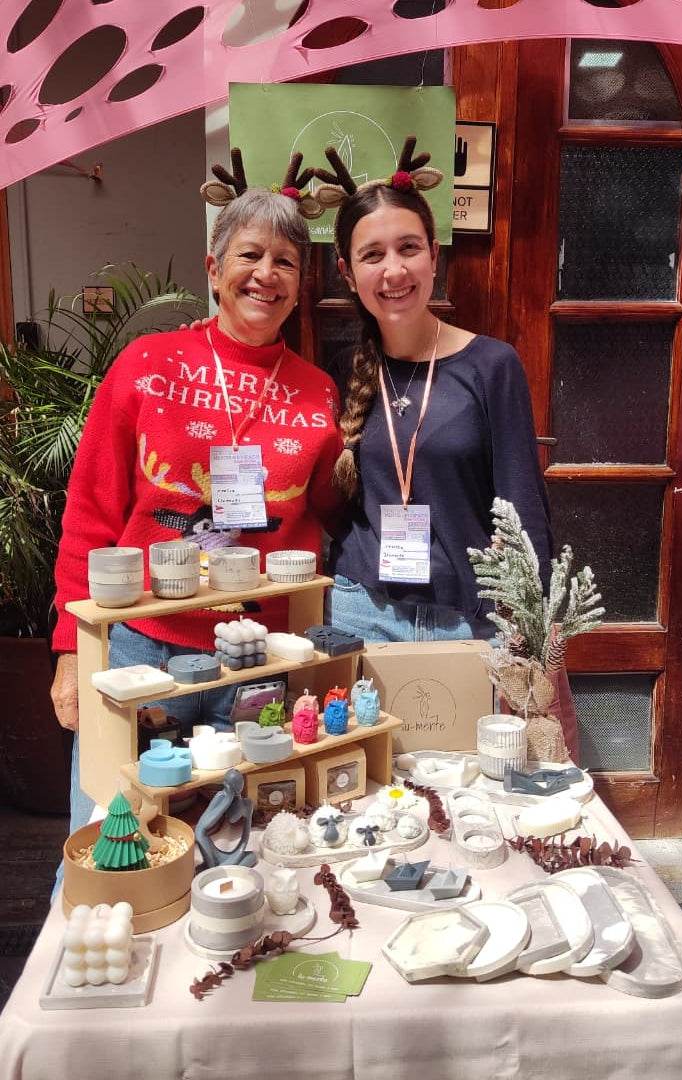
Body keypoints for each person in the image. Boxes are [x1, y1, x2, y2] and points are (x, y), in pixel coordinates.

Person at [50, 147, 343, 840]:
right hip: (141, 652)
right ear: (214, 269)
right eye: (249, 255)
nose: (266, 274)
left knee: (250, 845)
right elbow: (90, 509)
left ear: (299, 286)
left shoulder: (319, 391)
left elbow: (333, 515)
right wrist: (70, 648)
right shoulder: (147, 365)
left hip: (263, 660)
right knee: (114, 839)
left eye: (285, 262)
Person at [313, 136, 553, 644]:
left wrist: (533, 626)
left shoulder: (491, 365)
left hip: (469, 620)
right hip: (361, 612)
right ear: (348, 274)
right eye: (372, 255)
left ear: (434, 255)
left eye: (409, 248)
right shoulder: (342, 370)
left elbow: (523, 506)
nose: (394, 270)